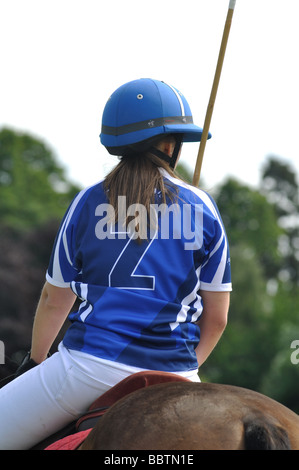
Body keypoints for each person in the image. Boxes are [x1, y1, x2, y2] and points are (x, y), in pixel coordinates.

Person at [0, 78, 232, 449]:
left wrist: (36, 361)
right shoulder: (203, 206)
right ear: (170, 145)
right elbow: (217, 318)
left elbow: (53, 299)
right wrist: (184, 368)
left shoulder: (87, 201)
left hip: (88, 369)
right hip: (178, 372)